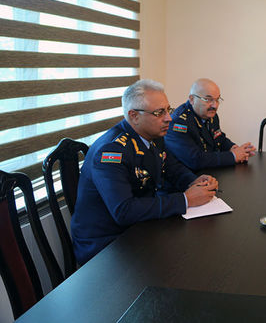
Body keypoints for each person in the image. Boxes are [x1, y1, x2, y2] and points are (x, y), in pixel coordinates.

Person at [71, 80, 218, 265]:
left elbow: (172, 168)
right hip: (106, 246)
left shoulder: (153, 135)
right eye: (159, 113)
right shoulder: (111, 151)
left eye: (168, 110)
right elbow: (124, 210)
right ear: (134, 116)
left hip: (139, 228)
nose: (169, 118)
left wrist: (194, 182)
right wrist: (186, 199)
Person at [165, 78, 256, 171]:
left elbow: (219, 138)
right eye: (208, 99)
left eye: (217, 99)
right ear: (192, 99)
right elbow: (195, 160)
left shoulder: (210, 115)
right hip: (189, 177)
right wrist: (233, 156)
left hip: (209, 172)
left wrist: (235, 148)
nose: (215, 105)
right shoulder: (178, 123)